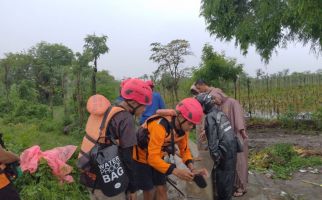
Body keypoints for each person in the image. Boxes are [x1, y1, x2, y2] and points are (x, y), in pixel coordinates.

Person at [78, 78, 152, 200]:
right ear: (134, 103)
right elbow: (128, 157)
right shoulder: (125, 118)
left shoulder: (108, 111)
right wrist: (132, 188)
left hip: (89, 176)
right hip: (109, 185)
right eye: (144, 105)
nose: (145, 109)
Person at [133, 98, 207, 200]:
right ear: (180, 117)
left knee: (162, 188)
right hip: (141, 157)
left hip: (158, 156)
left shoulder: (183, 129)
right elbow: (152, 159)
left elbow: (184, 150)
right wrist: (176, 171)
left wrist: (192, 168)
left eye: (194, 125)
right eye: (190, 124)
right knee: (149, 190)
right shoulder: (159, 126)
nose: (191, 127)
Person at [196, 93, 238, 200]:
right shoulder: (219, 112)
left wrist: (216, 159)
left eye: (199, 106)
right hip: (232, 149)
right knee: (229, 178)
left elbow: (213, 144)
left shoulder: (209, 117)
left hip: (223, 152)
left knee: (222, 183)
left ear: (204, 105)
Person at [209, 90, 248, 197]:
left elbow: (239, 119)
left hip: (237, 136)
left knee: (240, 162)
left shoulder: (232, 102)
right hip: (228, 139)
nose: (214, 101)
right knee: (231, 163)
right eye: (212, 99)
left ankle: (242, 187)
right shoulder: (219, 106)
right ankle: (234, 184)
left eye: (214, 98)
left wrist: (242, 131)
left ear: (219, 95)